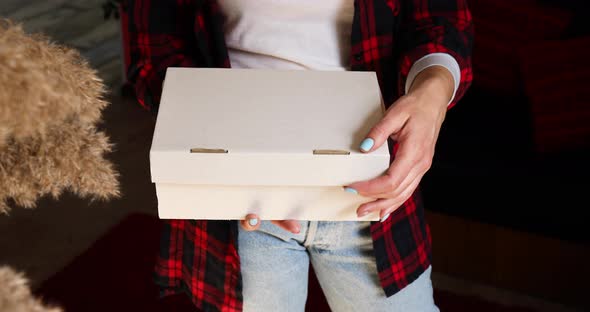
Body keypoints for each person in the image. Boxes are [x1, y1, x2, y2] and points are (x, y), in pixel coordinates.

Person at [126, 0, 473, 311]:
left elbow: (439, 16)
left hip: (371, 177)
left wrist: (434, 90)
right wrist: (227, 155)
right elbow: (153, 50)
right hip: (240, 194)